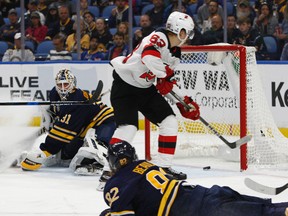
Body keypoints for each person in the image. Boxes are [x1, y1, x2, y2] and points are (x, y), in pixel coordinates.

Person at [98, 11, 200, 191]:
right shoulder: (157, 38)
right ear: (180, 31)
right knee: (128, 128)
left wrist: (183, 101)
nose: (188, 37)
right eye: (188, 32)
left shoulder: (175, 52)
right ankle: (109, 171)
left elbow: (166, 81)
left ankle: (162, 167)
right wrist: (163, 75)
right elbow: (149, 56)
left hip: (145, 89)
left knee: (169, 121)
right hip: (125, 87)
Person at [101, 141, 288, 216]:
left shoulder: (114, 184)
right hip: (204, 193)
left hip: (196, 210)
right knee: (267, 208)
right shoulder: (147, 164)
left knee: (266, 214)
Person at [20, 69, 116, 176]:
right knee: (66, 154)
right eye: (59, 85)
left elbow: (65, 130)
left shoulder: (77, 99)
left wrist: (46, 150)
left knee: (95, 142)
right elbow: (56, 113)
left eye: (65, 84)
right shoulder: (54, 94)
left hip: (104, 120)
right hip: (84, 123)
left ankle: (102, 162)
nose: (62, 88)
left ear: (72, 84)